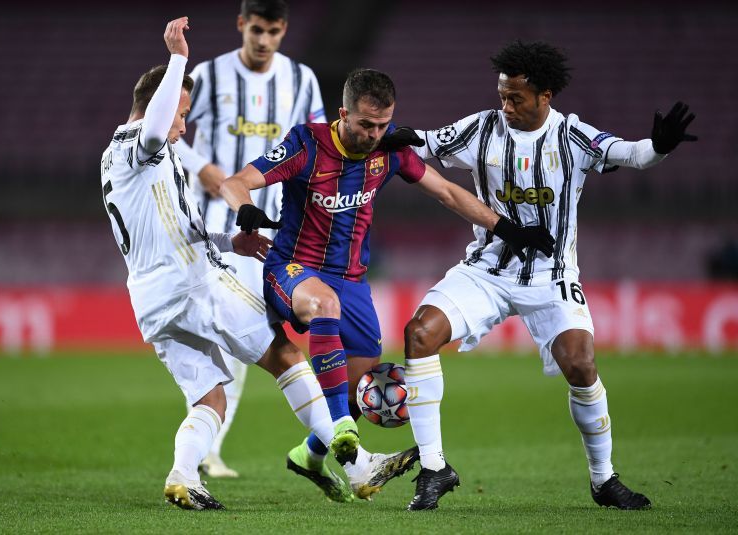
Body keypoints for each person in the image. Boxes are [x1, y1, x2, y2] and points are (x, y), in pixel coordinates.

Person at [220, 68, 554, 501]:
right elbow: (235, 182)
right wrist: (244, 207)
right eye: (366, 125)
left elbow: (447, 193)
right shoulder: (307, 143)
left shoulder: (391, 147)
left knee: (359, 390)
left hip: (353, 283)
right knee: (324, 312)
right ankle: (344, 434)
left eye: (383, 124)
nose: (376, 134)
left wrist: (508, 229)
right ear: (343, 114)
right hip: (293, 269)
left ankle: (310, 454)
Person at [392, 40, 697, 510]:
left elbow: (631, 154)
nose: (507, 106)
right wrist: (387, 131)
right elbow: (424, 140)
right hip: (487, 270)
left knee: (581, 365)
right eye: (502, 95)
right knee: (418, 334)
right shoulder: (482, 126)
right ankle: (434, 468)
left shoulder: (572, 138)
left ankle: (603, 479)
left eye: (516, 98)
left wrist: (659, 147)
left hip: (551, 277)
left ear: (546, 96)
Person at [100, 17, 340, 510]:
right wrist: (178, 58)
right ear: (154, 110)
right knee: (285, 354)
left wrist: (230, 242)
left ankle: (183, 476)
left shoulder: (130, 161)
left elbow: (179, 227)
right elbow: (155, 122)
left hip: (152, 302)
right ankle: (357, 462)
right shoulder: (138, 148)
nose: (184, 127)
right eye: (180, 115)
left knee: (211, 398)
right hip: (191, 285)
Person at [173, 0, 327, 478]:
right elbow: (168, 131)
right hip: (225, 224)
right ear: (242, 25)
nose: (264, 40)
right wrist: (210, 172)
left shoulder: (302, 80)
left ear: (284, 31)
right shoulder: (210, 75)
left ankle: (207, 445)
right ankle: (208, 446)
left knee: (258, 332)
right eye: (256, 30)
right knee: (245, 328)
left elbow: (319, 144)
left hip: (282, 223)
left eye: (274, 32)